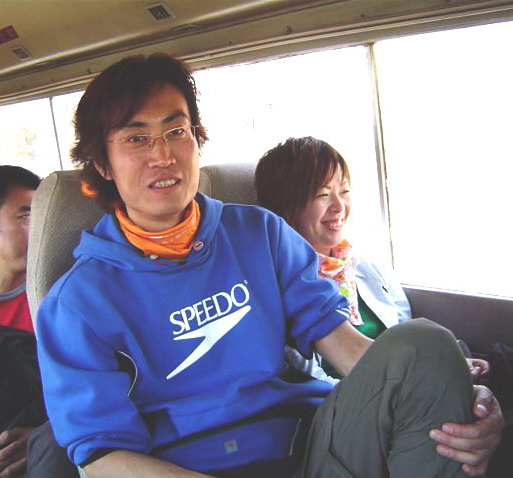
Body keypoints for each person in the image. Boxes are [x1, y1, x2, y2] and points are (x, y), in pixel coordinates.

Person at [35, 53, 488, 478]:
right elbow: (101, 456)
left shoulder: (259, 233)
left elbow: (342, 343)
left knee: (426, 343)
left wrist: (450, 394)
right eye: (137, 138)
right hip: (186, 467)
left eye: (176, 131)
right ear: (103, 164)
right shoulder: (78, 302)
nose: (164, 155)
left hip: (310, 444)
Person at [255, 136, 504, 476]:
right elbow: (305, 383)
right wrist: (422, 386)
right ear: (286, 206)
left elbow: (403, 335)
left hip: (402, 395)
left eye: (344, 191)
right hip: (343, 417)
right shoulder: (270, 285)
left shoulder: (365, 268)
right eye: (322, 195)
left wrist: (455, 369)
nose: (339, 206)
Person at [0, 165, 42, 477]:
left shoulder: (61, 296)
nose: (41, 228)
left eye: (43, 216)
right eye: (27, 215)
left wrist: (46, 433)